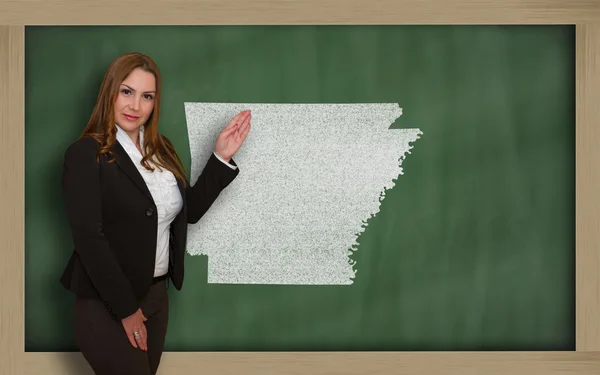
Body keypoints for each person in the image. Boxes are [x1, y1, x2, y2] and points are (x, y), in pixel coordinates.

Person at [58, 52, 251, 375]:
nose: (136, 106)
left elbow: (186, 213)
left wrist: (220, 157)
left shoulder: (162, 149)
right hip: (108, 304)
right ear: (110, 93)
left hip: (156, 298)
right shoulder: (85, 154)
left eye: (147, 96)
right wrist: (127, 310)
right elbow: (90, 239)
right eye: (126, 92)